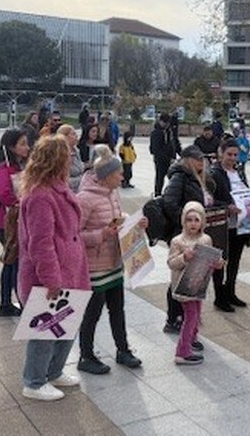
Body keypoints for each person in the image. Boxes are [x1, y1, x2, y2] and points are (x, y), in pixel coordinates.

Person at [16, 135, 91, 401]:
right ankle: (34, 381)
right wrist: (51, 279)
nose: (72, 158)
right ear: (55, 160)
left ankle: (54, 371)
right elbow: (40, 244)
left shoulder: (58, 188)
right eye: (68, 155)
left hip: (72, 268)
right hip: (51, 274)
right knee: (44, 332)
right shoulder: (40, 196)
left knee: (67, 324)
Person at [76, 147, 146, 375]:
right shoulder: (85, 199)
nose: (122, 176)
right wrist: (100, 235)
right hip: (95, 267)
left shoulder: (112, 193)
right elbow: (73, 234)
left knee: (118, 309)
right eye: (118, 173)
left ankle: (123, 350)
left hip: (115, 261)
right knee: (93, 312)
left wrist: (132, 223)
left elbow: (117, 218)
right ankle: (85, 355)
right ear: (106, 176)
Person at [160, 145, 213, 334]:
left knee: (190, 277)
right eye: (198, 159)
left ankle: (187, 317)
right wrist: (186, 222)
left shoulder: (197, 177)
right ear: (189, 160)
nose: (202, 162)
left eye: (203, 159)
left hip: (195, 234)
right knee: (178, 278)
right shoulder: (180, 176)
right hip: (182, 236)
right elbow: (169, 202)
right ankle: (173, 318)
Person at [168, 202, 222, 365]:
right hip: (183, 286)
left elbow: (209, 260)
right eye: (189, 219)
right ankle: (182, 352)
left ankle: (192, 338)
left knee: (197, 313)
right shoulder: (178, 241)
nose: (193, 223)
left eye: (196, 220)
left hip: (199, 284)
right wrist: (185, 257)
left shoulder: (206, 239)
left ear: (202, 222)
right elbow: (171, 263)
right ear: (183, 221)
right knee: (190, 315)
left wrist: (217, 263)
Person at [209, 139, 250, 310]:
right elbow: (208, 200)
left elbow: (246, 191)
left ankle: (230, 291)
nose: (232, 158)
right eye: (229, 154)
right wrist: (226, 206)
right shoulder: (214, 173)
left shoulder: (239, 172)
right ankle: (219, 296)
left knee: (235, 260)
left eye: (235, 155)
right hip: (223, 225)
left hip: (241, 224)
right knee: (221, 260)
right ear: (221, 153)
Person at [0, 129, 29, 317]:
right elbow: (4, 194)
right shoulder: (3, 168)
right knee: (15, 263)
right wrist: (25, 204)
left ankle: (7, 303)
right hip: (7, 224)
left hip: (20, 222)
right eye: (22, 144)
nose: (27, 147)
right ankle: (18, 302)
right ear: (11, 147)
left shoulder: (22, 166)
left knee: (11, 262)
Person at [150, 114, 176, 197]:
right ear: (160, 121)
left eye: (168, 123)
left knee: (173, 177)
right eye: (165, 123)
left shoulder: (169, 131)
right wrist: (166, 158)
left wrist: (174, 156)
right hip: (160, 160)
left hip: (170, 159)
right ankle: (158, 194)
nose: (167, 125)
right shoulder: (156, 133)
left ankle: (172, 193)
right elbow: (155, 149)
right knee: (160, 178)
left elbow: (173, 144)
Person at [56, 124, 85, 193]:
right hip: (69, 191)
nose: (76, 136)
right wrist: (82, 180)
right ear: (64, 137)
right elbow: (62, 181)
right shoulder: (60, 155)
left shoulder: (76, 150)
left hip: (80, 190)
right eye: (73, 134)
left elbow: (81, 169)